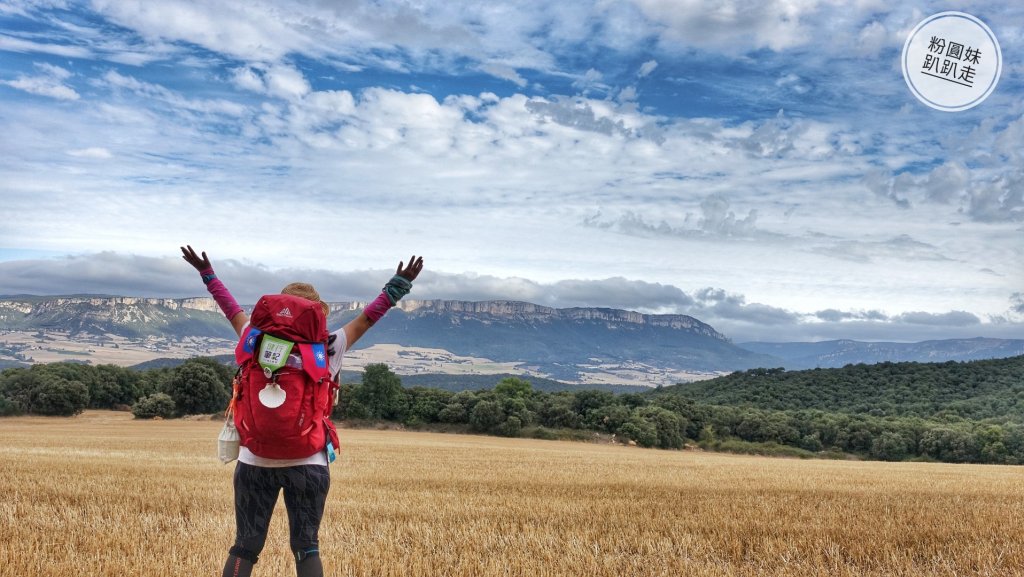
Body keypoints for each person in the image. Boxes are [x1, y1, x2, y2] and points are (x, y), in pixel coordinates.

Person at [181, 245, 424, 577]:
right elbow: (368, 318)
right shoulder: (330, 344)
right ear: (316, 312)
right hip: (309, 461)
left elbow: (229, 307)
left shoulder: (252, 337)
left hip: (254, 460)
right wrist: (398, 285)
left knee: (245, 547)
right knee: (306, 547)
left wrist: (207, 274)